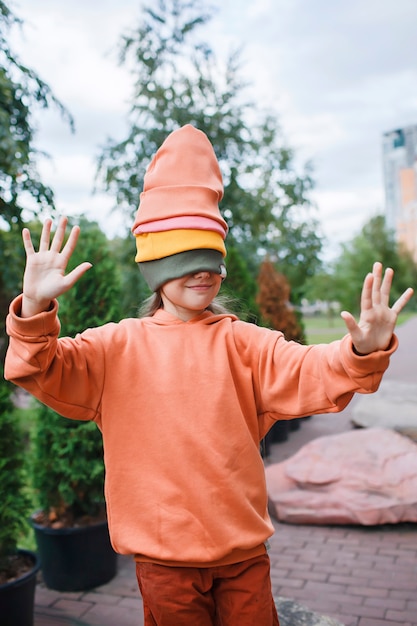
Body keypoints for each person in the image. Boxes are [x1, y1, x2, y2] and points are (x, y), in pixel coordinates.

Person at [4, 125, 414, 626]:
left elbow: (315, 369)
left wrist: (361, 351)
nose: (202, 272)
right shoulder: (115, 348)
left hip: (243, 556)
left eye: (211, 259)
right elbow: (40, 367)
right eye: (184, 258)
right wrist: (37, 306)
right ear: (154, 264)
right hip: (164, 562)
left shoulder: (244, 343)